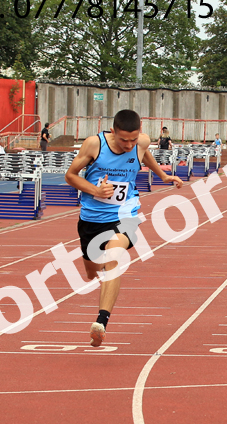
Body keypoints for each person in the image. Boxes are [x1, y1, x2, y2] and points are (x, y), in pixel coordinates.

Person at [66, 109, 183, 346]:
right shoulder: (93, 145)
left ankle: (101, 321)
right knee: (92, 271)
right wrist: (96, 190)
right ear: (113, 132)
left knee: (114, 256)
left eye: (133, 139)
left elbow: (144, 153)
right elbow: (71, 175)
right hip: (91, 218)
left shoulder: (141, 142)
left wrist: (162, 175)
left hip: (125, 216)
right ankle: (101, 277)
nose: (129, 145)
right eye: (123, 140)